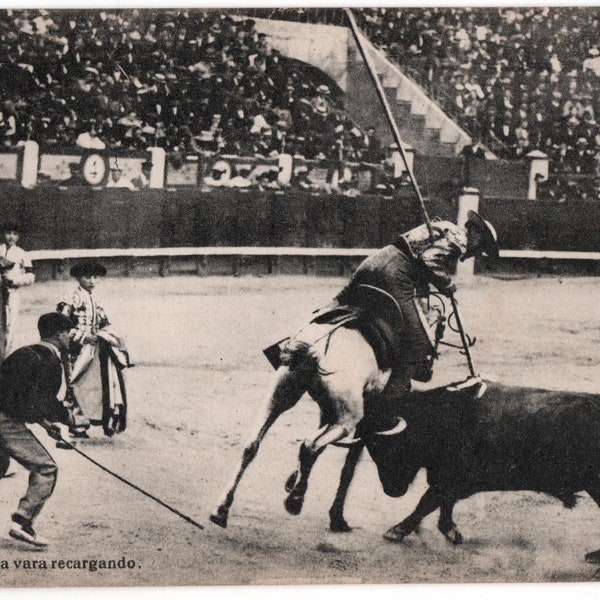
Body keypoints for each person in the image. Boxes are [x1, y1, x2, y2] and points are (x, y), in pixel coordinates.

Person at [333, 211, 498, 420]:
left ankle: (285, 348)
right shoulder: (459, 239)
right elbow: (428, 260)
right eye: (481, 246)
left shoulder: (444, 227)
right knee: (418, 341)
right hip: (394, 274)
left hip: (372, 263)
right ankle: (386, 408)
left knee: (338, 304)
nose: (477, 252)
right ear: (476, 234)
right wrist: (446, 283)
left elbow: (418, 261)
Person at [0, 312, 74, 548]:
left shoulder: (23, 353)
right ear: (58, 334)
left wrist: (45, 424)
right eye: (69, 334)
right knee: (46, 467)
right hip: (4, 422)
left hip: (5, 417)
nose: (71, 339)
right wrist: (63, 418)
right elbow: (40, 402)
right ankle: (23, 523)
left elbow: (20, 399)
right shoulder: (51, 361)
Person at [57, 260, 130, 439]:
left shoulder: (98, 299)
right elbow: (60, 326)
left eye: (95, 277)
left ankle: (88, 420)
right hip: (74, 349)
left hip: (95, 348)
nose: (92, 281)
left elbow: (106, 323)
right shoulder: (69, 298)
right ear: (78, 278)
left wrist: (103, 334)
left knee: (93, 384)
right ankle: (75, 425)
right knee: (74, 383)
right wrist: (83, 336)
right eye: (87, 277)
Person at [0, 222, 35, 360]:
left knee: (10, 326)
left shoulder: (22, 254)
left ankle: (5, 360)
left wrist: (14, 281)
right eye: (8, 232)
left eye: (15, 234)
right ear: (3, 234)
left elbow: (31, 276)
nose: (11, 236)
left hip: (13, 293)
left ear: (19, 237)